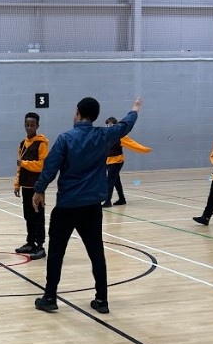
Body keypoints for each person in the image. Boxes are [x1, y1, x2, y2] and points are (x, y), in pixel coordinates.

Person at [32, 96, 143, 313]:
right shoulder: (103, 135)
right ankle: (102, 300)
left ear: (78, 112)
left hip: (67, 206)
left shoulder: (65, 139)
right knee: (96, 253)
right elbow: (125, 125)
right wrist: (135, 109)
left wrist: (39, 189)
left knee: (56, 252)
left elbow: (50, 167)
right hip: (92, 207)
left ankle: (50, 297)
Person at [14, 112, 49, 260]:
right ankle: (30, 243)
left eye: (32, 125)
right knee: (28, 216)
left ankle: (40, 245)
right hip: (25, 187)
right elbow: (19, 167)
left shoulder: (41, 143)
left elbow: (42, 165)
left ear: (37, 126)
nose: (29, 127)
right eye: (27, 125)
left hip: (37, 188)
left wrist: (25, 163)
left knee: (38, 216)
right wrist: (17, 184)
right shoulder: (22, 144)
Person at [101, 116, 152, 207]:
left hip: (117, 162)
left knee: (110, 181)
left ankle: (108, 201)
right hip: (109, 162)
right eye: (107, 125)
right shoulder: (107, 135)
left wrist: (145, 149)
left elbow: (133, 144)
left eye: (110, 125)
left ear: (115, 125)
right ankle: (122, 199)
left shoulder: (120, 136)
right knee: (116, 181)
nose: (108, 127)